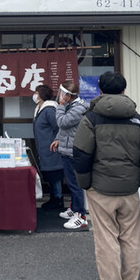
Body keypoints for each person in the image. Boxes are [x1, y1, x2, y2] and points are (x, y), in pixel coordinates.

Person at [73, 71, 140, 280]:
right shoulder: (138, 120)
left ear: (100, 90)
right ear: (124, 90)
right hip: (129, 190)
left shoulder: (91, 119)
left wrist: (85, 183)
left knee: (106, 241)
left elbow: (81, 154)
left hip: (100, 189)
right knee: (131, 239)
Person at [50, 80, 89, 230]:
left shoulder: (78, 108)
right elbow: (65, 129)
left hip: (73, 151)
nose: (59, 95)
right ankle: (74, 209)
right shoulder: (71, 106)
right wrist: (58, 139)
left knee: (75, 184)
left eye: (62, 93)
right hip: (67, 148)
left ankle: (80, 216)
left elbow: (62, 122)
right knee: (72, 183)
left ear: (67, 95)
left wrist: (60, 106)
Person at [32, 85, 63, 210]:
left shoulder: (49, 110)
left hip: (51, 147)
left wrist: (56, 140)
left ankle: (58, 198)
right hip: (44, 148)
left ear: (40, 95)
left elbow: (58, 127)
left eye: (36, 93)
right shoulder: (39, 109)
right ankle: (53, 197)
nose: (34, 95)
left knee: (54, 173)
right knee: (49, 174)